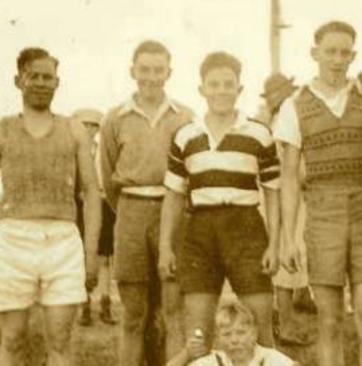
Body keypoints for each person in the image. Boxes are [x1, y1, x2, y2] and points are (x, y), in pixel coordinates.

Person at [276, 21, 362, 366]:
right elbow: (290, 177)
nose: (338, 60)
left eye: (345, 52)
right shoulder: (294, 105)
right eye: (330, 52)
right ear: (315, 53)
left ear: (352, 55)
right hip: (322, 217)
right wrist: (289, 239)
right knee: (330, 319)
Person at [159, 51, 281, 361]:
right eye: (214, 84)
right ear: (202, 89)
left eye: (229, 84)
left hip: (246, 229)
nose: (222, 91)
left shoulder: (258, 133)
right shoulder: (187, 136)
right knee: (197, 335)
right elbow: (173, 196)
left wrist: (275, 245)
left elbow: (273, 192)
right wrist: (165, 248)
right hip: (200, 231)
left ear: (240, 89)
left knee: (260, 329)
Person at [0, 47, 101, 366]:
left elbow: (92, 192)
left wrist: (91, 253)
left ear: (58, 82)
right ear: (19, 80)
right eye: (34, 76)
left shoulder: (74, 129)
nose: (42, 83)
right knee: (12, 339)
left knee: (60, 340)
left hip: (62, 240)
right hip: (13, 237)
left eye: (48, 77)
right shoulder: (3, 129)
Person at [100, 40, 192, 365]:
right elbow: (109, 176)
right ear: (132, 71)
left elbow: (190, 173)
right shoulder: (115, 118)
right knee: (134, 314)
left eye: (158, 70)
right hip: (130, 212)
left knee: (173, 309)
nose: (151, 77)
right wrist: (130, 211)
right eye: (144, 70)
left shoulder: (184, 117)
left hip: (173, 212)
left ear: (169, 72)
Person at [258, 73, 316, 346]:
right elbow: (294, 170)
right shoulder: (282, 120)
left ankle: (289, 311)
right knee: (286, 256)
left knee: (288, 255)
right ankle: (287, 324)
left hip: (279, 194)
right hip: (282, 194)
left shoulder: (273, 118)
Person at [73, 108, 118, 326]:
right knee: (83, 256)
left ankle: (105, 305)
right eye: (85, 125)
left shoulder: (103, 151)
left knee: (104, 259)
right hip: (81, 206)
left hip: (104, 205)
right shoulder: (73, 151)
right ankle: (85, 306)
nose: (89, 129)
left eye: (94, 125)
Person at [167, 301, 296, 366]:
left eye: (241, 333)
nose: (234, 340)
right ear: (218, 338)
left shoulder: (269, 359)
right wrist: (186, 354)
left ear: (254, 334)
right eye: (227, 334)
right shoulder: (216, 361)